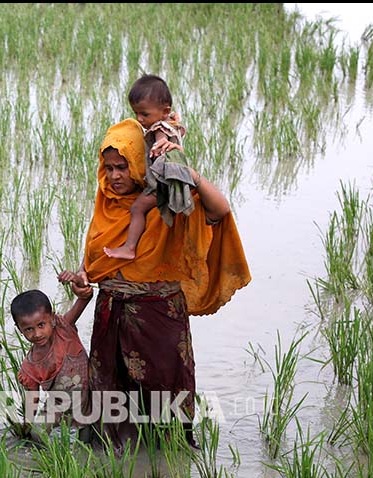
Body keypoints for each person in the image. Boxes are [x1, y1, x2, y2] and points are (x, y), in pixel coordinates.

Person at [80, 118, 250, 449]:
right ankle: (117, 452)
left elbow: (220, 210)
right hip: (110, 315)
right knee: (110, 393)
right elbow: (93, 261)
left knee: (164, 388)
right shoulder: (106, 206)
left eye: (124, 167)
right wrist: (82, 282)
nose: (115, 176)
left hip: (159, 315)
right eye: (109, 167)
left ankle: (169, 453)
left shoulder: (168, 204)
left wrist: (189, 175)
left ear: (142, 165)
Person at [104, 74, 195, 260]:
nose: (140, 119)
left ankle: (130, 247)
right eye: (136, 113)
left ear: (164, 111)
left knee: (137, 208)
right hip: (168, 182)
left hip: (161, 186)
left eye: (144, 114)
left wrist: (160, 144)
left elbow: (161, 137)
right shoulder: (170, 121)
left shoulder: (160, 128)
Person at [10, 272, 94, 443]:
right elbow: (32, 398)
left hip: (87, 402)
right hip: (58, 407)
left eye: (41, 325)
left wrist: (77, 280)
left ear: (52, 319)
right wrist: (25, 424)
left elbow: (86, 297)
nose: (36, 334)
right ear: (19, 329)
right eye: (28, 329)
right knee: (37, 433)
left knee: (87, 441)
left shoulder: (64, 328)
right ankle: (54, 463)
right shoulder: (30, 366)